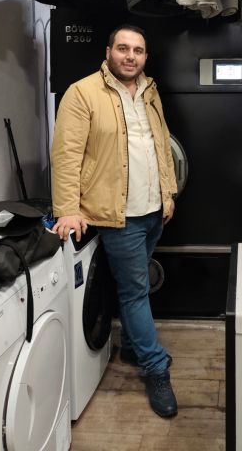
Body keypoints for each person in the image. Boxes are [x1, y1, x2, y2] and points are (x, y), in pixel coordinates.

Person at [51, 24, 178, 418]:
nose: (130, 56)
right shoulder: (82, 92)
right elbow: (67, 154)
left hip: (153, 211)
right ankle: (155, 368)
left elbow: (161, 145)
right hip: (117, 216)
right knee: (135, 291)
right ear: (108, 52)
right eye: (123, 48)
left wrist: (168, 193)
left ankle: (133, 347)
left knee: (131, 286)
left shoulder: (150, 91)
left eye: (137, 50)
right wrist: (67, 209)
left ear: (145, 57)